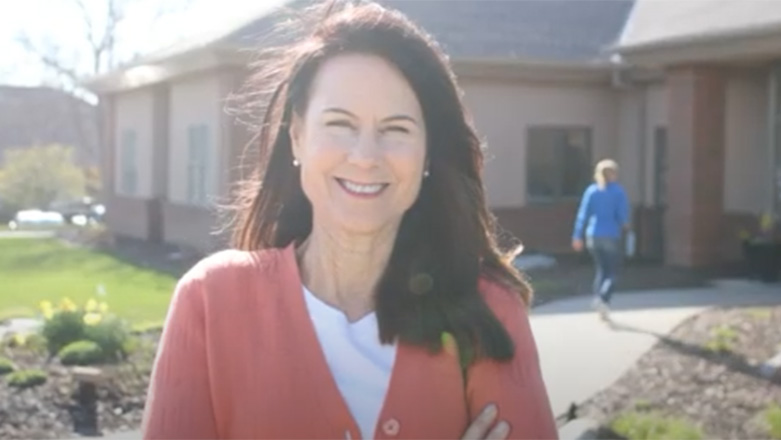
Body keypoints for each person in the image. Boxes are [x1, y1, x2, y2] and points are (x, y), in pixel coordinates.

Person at [142, 2, 557, 439]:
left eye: (396, 129)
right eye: (340, 124)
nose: (365, 157)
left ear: (428, 152)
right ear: (297, 136)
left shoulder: (488, 311)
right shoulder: (210, 302)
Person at [571, 159, 630, 321]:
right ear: (613, 174)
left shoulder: (591, 191)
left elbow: (583, 215)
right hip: (610, 234)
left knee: (601, 269)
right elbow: (623, 216)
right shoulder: (618, 192)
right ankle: (603, 299)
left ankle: (599, 300)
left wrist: (577, 236)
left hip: (593, 234)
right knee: (612, 272)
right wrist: (626, 225)